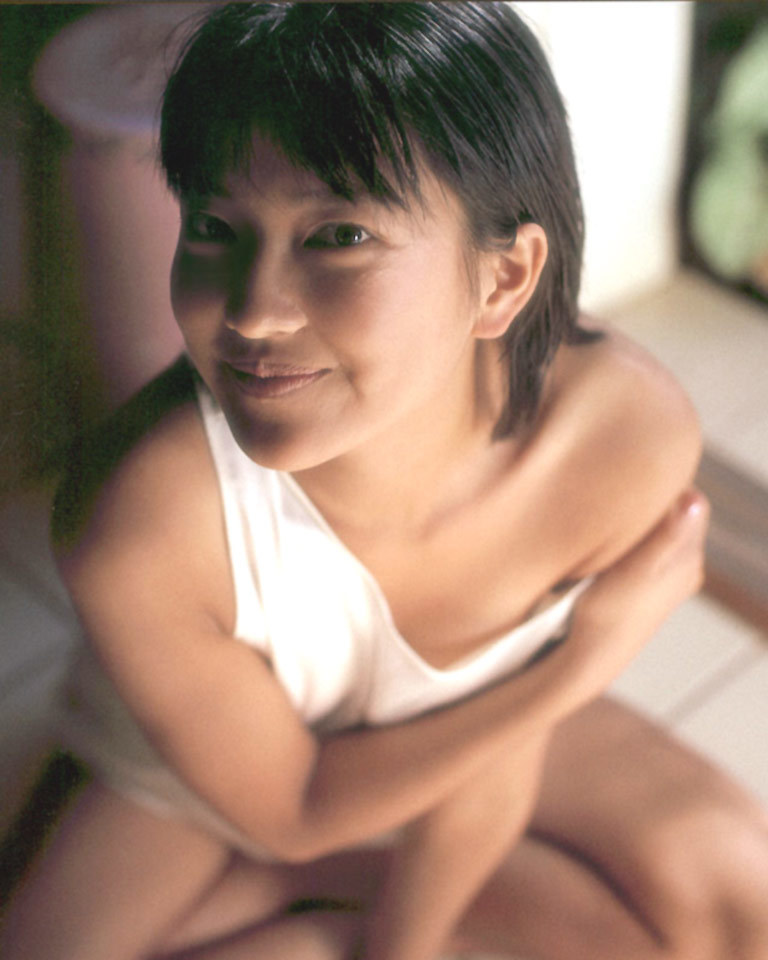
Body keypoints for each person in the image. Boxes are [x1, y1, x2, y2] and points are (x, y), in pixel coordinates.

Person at [2, 4, 768, 959]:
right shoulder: (139, 520)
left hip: (469, 738)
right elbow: (292, 804)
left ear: (502, 280)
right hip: (213, 767)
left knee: (741, 903)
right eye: (214, 225)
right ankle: (304, 884)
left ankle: (319, 888)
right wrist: (582, 662)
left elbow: (498, 756)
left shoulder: (617, 442)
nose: (252, 314)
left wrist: (404, 942)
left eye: (337, 235)